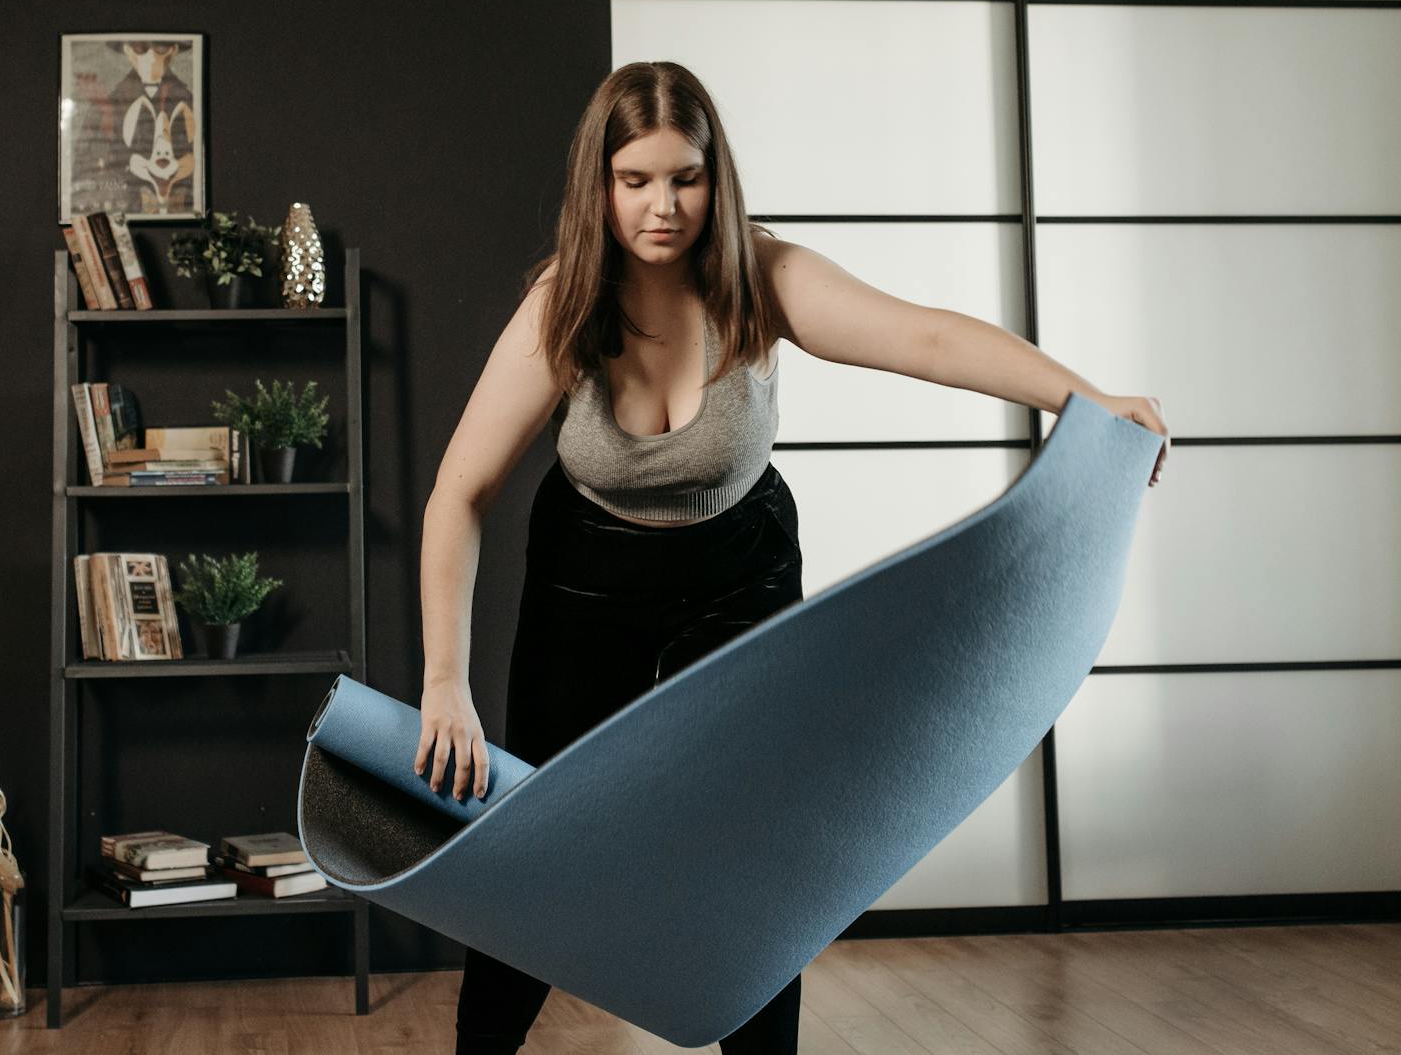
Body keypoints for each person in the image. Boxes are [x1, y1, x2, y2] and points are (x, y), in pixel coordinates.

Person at [413, 60, 1170, 1055]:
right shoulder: (564, 304)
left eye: (683, 177)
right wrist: (442, 681)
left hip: (737, 578)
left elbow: (930, 340)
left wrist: (1085, 398)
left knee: (751, 866)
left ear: (713, 177)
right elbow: (456, 495)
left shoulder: (764, 278)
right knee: (537, 846)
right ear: (597, 186)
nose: (660, 206)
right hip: (584, 584)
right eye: (634, 180)